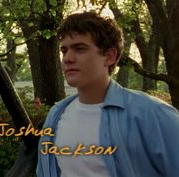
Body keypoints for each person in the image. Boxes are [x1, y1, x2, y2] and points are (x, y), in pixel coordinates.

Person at [36, 11, 179, 177]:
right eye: (64, 50)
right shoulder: (56, 116)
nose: (67, 58)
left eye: (79, 49)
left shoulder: (151, 114)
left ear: (109, 57)